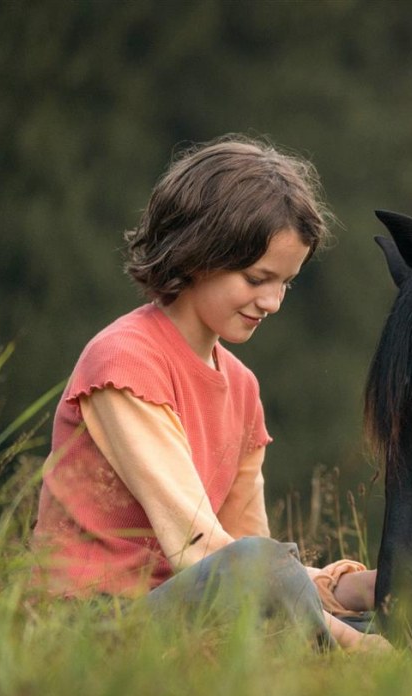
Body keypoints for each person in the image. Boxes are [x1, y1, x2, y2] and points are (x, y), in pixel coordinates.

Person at [32, 135, 384, 651]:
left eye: (286, 282)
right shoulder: (125, 361)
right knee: (329, 619)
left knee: (401, 620)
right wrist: (355, 647)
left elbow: (253, 558)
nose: (273, 302)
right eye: (257, 278)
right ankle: (347, 660)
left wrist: (353, 588)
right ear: (199, 255)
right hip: (90, 627)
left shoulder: (241, 386)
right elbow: (205, 552)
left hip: (187, 614)